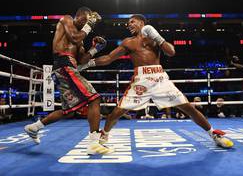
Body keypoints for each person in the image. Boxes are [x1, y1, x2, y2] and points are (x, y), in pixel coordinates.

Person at [79, 14, 234, 149]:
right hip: (141, 80)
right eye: (128, 23)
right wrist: (88, 63)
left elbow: (171, 52)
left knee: (188, 107)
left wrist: (158, 37)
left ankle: (214, 134)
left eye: (132, 22)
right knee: (117, 112)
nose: (129, 25)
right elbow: (108, 58)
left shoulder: (153, 37)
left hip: (159, 78)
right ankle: (103, 137)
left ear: (142, 23)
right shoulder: (128, 42)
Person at [24, 7, 113, 155]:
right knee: (94, 99)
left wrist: (95, 49)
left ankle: (34, 127)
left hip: (69, 68)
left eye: (88, 22)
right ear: (77, 17)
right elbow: (74, 37)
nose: (86, 24)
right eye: (84, 20)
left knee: (68, 112)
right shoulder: (67, 19)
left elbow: (82, 60)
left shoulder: (80, 38)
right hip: (64, 65)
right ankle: (93, 144)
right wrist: (90, 24)